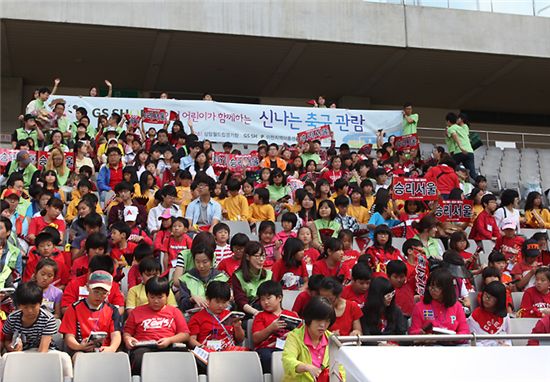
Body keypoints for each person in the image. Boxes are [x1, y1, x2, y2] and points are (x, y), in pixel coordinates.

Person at [1, 282, 73, 378]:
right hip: (21, 352)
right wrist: (11, 347)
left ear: (40, 303)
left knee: (65, 358)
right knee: (5, 359)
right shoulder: (12, 318)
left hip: (45, 351)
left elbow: (43, 350)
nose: (30, 311)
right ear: (19, 305)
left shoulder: (48, 319)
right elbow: (7, 339)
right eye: (25, 307)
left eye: (33, 306)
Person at [123, 277, 190, 375]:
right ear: (147, 296)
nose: (156, 301)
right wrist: (128, 339)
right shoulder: (136, 312)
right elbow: (127, 332)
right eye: (152, 297)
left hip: (169, 345)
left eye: (160, 297)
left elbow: (185, 334)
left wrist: (170, 340)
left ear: (167, 296)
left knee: (184, 354)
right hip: (144, 347)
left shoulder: (174, 312)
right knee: (138, 357)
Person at [282, 296, 343, 382]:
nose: (323, 325)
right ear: (309, 318)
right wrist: (306, 367)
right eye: (319, 320)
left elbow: (340, 369)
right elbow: (288, 361)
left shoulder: (333, 340)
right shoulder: (294, 337)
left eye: (327, 321)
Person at [59, 270, 122, 354]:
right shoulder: (74, 308)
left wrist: (112, 348)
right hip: (80, 349)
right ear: (87, 287)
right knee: (78, 356)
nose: (99, 296)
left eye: (103, 293)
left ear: (109, 293)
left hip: (104, 349)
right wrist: (79, 346)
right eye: (96, 292)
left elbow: (116, 334)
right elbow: (69, 336)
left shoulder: (112, 310)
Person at [252, 280, 300, 373]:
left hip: (289, 347)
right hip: (267, 349)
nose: (265, 302)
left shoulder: (291, 315)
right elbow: (256, 339)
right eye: (262, 299)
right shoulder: (260, 316)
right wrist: (271, 328)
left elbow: (302, 334)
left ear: (279, 298)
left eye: (269, 298)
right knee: (266, 356)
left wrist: (292, 334)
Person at [409, 268, 470, 337]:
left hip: (453, 345)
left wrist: (454, 338)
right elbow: (413, 332)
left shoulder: (457, 306)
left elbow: (465, 331)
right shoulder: (419, 306)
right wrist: (422, 335)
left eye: (438, 287)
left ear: (447, 289)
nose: (433, 290)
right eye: (431, 286)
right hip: (429, 345)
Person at [187, 281, 245, 351]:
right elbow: (191, 340)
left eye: (224, 302)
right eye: (217, 302)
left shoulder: (230, 316)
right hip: (207, 351)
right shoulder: (197, 317)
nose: (220, 306)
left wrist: (237, 327)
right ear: (208, 299)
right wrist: (202, 347)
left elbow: (240, 339)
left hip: (229, 351)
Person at [178, 243, 229, 311]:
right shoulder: (186, 279)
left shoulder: (222, 278)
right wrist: (191, 299)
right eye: (197, 262)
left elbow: (228, 302)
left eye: (205, 262)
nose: (201, 265)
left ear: (211, 261)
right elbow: (182, 305)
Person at [231, 241, 273, 316]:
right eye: (257, 256)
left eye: (263, 256)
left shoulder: (269, 275)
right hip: (247, 314)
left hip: (268, 311)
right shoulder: (237, 276)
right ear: (247, 257)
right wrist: (256, 313)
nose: (261, 259)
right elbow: (240, 301)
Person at [467, 281, 512, 346]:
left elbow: (509, 337)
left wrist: (506, 345)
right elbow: (471, 341)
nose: (486, 299)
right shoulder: (474, 317)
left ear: (499, 300)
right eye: (485, 295)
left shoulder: (505, 317)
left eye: (491, 297)